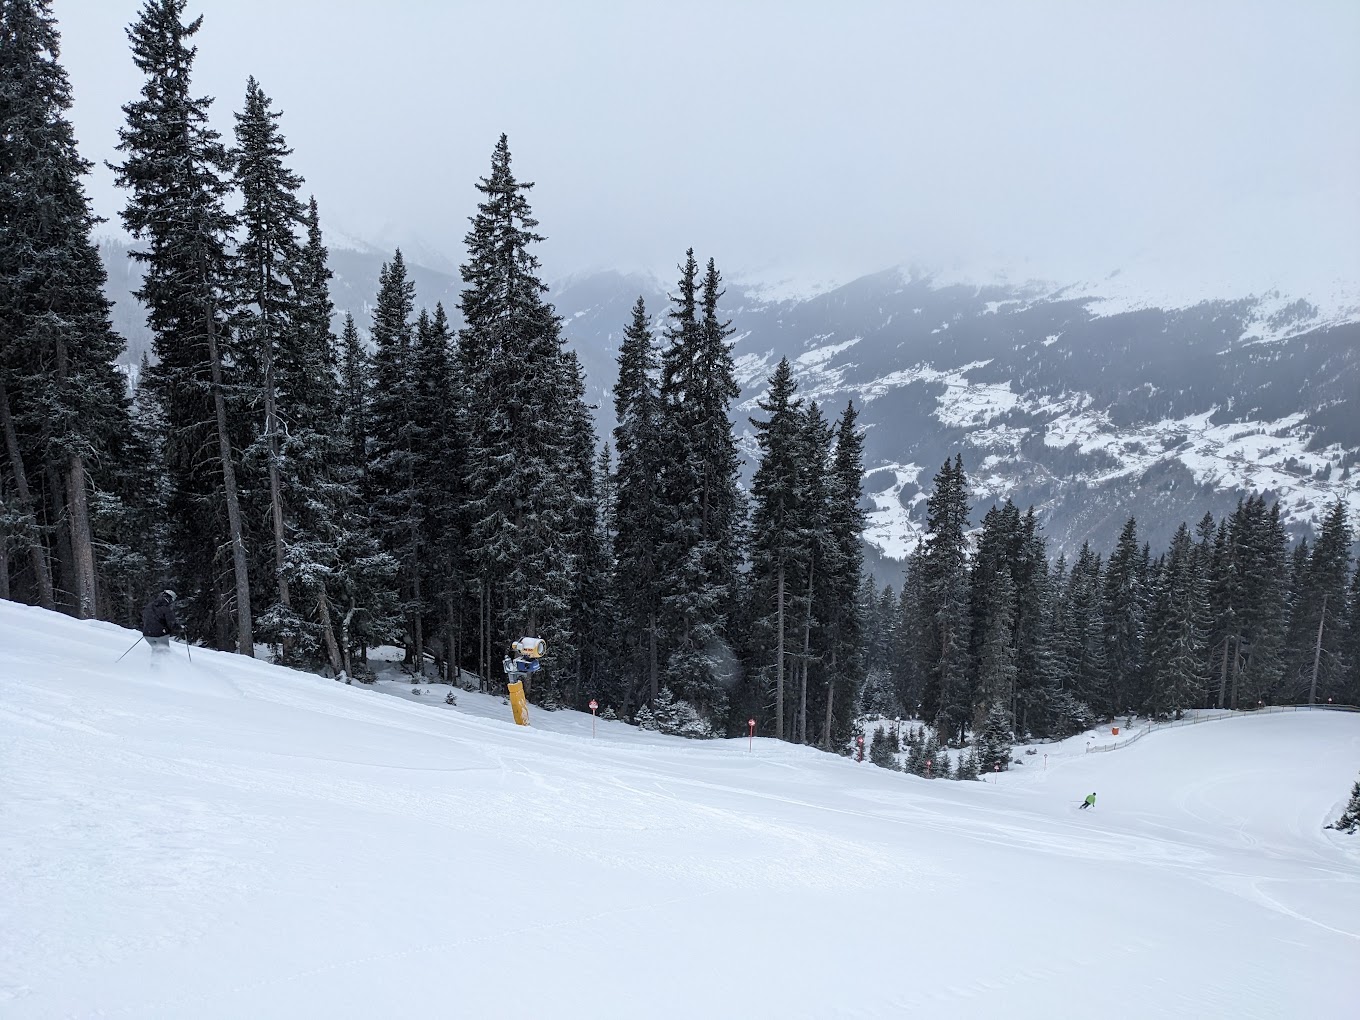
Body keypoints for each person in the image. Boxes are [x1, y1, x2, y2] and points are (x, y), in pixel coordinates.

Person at [141, 589, 179, 657]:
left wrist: (149, 628)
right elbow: (171, 623)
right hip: (160, 634)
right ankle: (165, 663)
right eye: (172, 600)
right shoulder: (166, 608)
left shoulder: (150, 605)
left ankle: (154, 663)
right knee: (165, 653)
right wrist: (180, 628)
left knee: (156, 651)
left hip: (147, 634)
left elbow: (145, 617)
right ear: (169, 598)